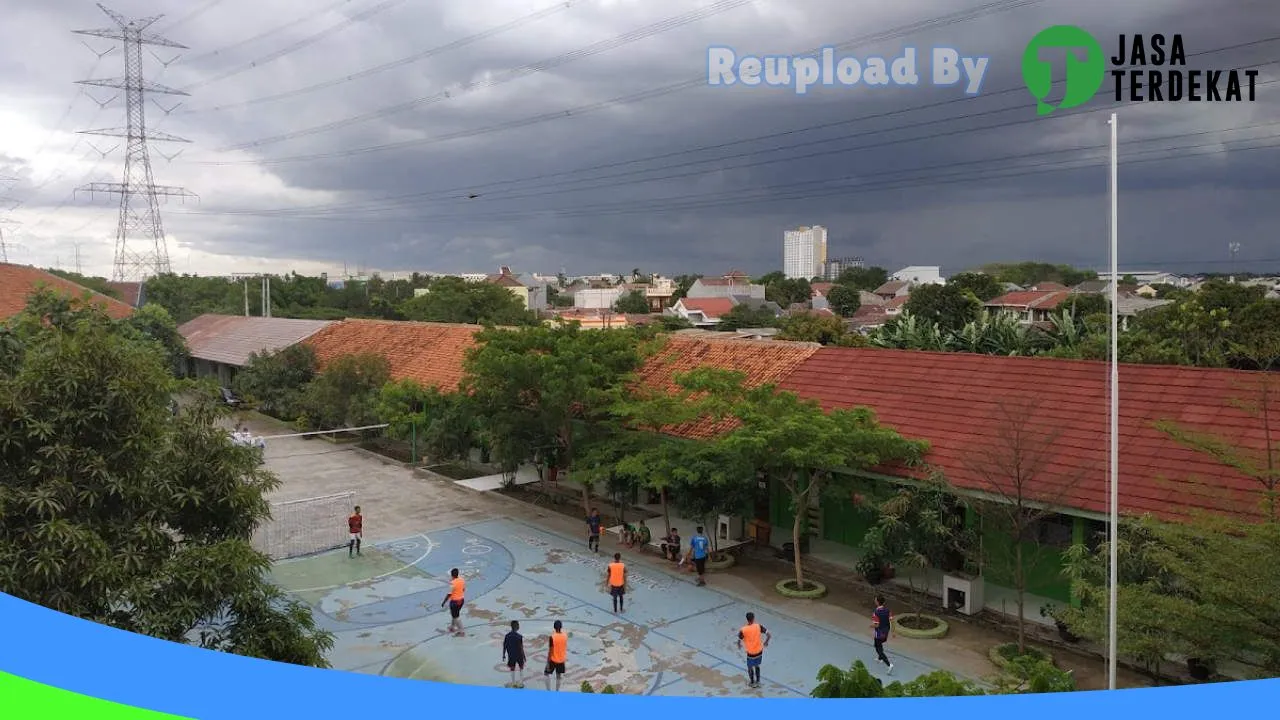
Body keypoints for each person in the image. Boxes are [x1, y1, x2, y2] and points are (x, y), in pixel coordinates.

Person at [737, 612, 771, 689]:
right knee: (757, 666)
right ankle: (758, 681)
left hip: (751, 653)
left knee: (750, 667)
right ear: (753, 618)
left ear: (747, 619)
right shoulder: (758, 626)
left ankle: (752, 682)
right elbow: (769, 635)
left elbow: (739, 639)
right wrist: (766, 642)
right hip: (759, 651)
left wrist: (739, 645)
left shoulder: (743, 629)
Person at [871, 595, 894, 674]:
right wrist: (893, 632)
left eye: (875, 600)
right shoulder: (888, 610)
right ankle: (880, 658)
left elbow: (876, 625)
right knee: (879, 644)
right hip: (886, 632)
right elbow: (891, 621)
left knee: (878, 648)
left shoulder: (876, 613)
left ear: (877, 602)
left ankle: (889, 664)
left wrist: (871, 626)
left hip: (879, 633)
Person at [543, 620, 568, 691]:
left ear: (554, 627)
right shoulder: (565, 636)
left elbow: (550, 651)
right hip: (561, 660)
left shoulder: (552, 637)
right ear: (561, 627)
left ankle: (548, 690)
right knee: (558, 676)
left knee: (546, 674)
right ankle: (557, 691)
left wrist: (548, 663)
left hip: (553, 659)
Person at [440, 568, 466, 636]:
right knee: (454, 615)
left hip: (454, 602)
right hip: (461, 600)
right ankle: (452, 627)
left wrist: (444, 602)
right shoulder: (462, 580)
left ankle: (461, 631)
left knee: (456, 617)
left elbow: (449, 594)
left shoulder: (452, 583)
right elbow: (463, 589)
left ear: (452, 575)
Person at [502, 620, 526, 688]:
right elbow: (521, 648)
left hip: (511, 655)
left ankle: (513, 683)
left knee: (512, 668)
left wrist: (503, 655)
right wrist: (524, 656)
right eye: (518, 625)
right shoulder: (519, 636)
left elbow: (505, 646)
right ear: (516, 627)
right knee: (521, 667)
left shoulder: (507, 636)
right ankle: (521, 683)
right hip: (519, 655)